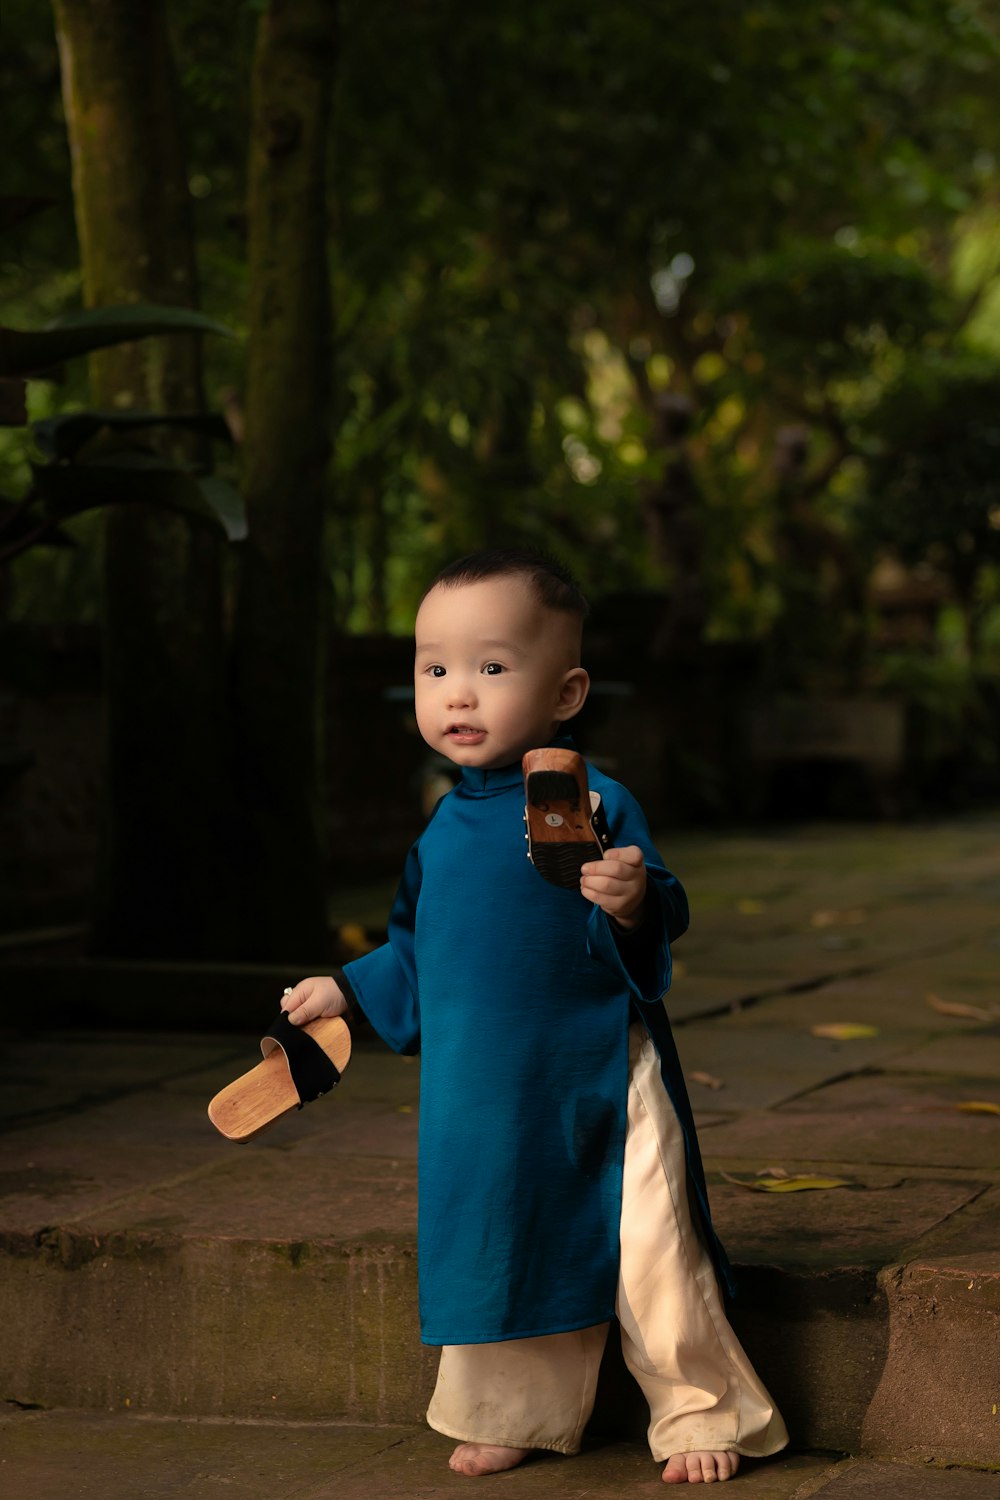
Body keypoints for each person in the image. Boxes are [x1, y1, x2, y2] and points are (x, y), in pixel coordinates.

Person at [281, 548, 788, 1484]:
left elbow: (659, 905)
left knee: (650, 1236)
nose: (457, 695)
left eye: (492, 667)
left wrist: (631, 895)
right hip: (485, 1084)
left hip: (597, 1064)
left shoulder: (594, 802)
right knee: (499, 1233)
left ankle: (698, 1408)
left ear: (566, 692)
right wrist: (345, 990)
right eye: (435, 669)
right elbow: (417, 947)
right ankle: (514, 1408)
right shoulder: (441, 830)